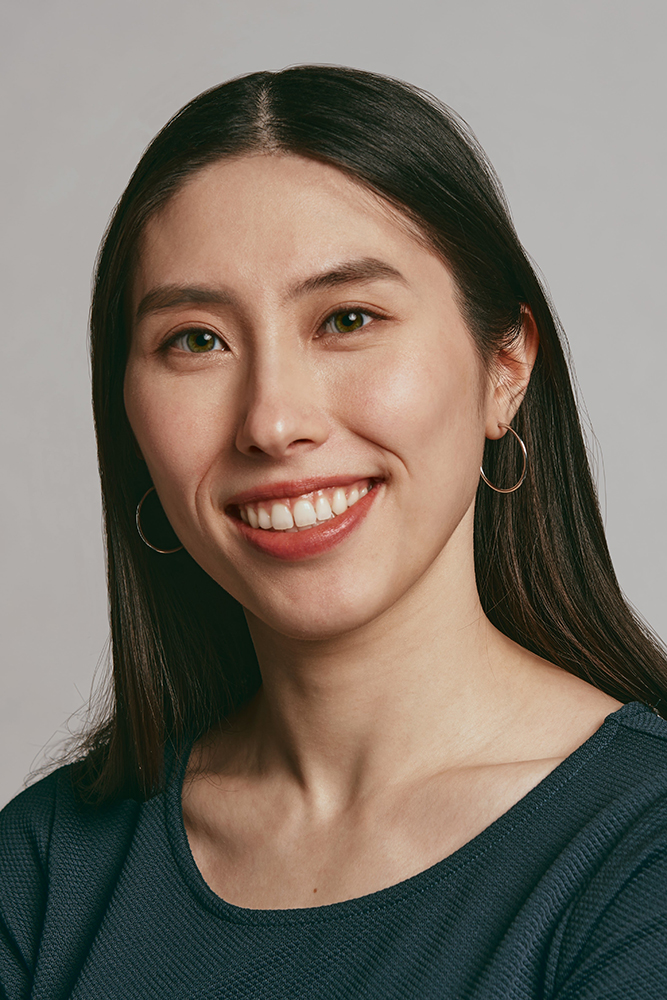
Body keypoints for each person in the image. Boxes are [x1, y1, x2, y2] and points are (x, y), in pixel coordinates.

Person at [1, 65, 667, 1000]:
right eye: (195, 340)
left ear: (504, 367)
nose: (272, 421)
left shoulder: (638, 854)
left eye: (347, 319)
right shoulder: (42, 871)